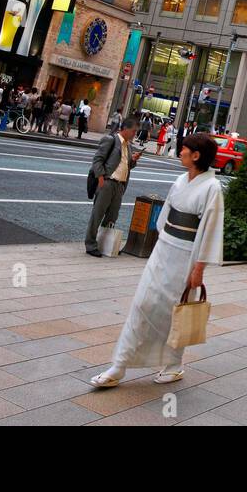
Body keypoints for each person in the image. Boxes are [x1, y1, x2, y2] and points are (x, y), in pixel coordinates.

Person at [90, 133, 224, 388]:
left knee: (174, 311)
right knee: (142, 303)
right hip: (164, 250)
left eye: (184, 149)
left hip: (187, 255)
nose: (180, 152)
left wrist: (199, 269)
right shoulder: (180, 180)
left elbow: (210, 230)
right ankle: (119, 365)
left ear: (196, 155)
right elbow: (164, 220)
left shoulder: (212, 188)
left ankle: (174, 363)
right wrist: (160, 245)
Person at [85, 116, 142, 257]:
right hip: (107, 183)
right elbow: (97, 160)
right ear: (126, 129)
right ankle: (90, 244)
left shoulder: (128, 146)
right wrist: (101, 180)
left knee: (112, 216)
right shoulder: (111, 140)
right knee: (97, 215)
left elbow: (126, 166)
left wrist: (133, 161)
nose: (135, 134)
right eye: (134, 131)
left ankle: (103, 243)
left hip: (120, 186)